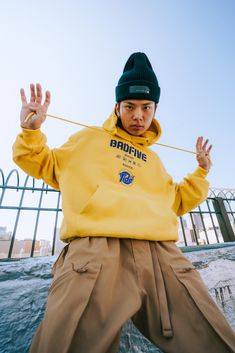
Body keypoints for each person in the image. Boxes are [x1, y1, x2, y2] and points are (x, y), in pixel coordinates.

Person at [13, 52, 235, 353]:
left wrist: (202, 171)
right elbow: (40, 161)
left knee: (212, 339)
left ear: (155, 109)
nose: (138, 116)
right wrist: (31, 131)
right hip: (95, 249)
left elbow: (177, 200)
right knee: (66, 342)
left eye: (146, 107)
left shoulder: (155, 161)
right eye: (130, 106)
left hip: (161, 254)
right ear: (117, 106)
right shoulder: (87, 140)